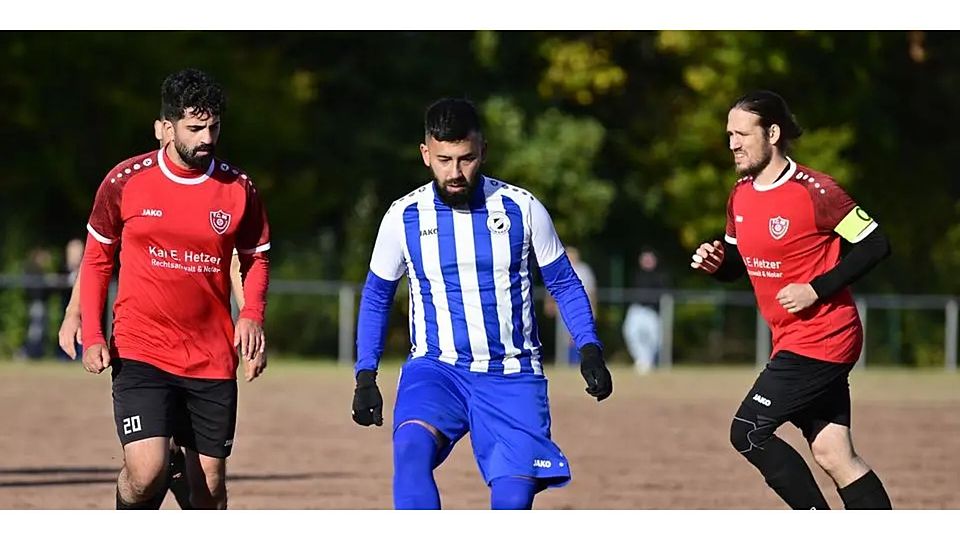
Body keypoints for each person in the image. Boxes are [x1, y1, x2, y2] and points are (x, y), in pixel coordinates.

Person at [351, 97, 613, 510]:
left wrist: (590, 349)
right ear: (425, 155)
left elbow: (562, 282)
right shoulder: (403, 216)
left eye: (466, 158)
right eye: (444, 159)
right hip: (437, 370)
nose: (455, 172)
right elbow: (377, 296)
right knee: (410, 450)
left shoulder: (522, 208)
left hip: (512, 374)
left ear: (483, 151)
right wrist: (365, 375)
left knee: (512, 501)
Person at [690, 90, 892, 510]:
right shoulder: (740, 194)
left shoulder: (818, 190)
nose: (732, 144)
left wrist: (815, 289)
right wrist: (717, 263)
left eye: (742, 134)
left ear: (773, 133)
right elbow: (736, 264)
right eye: (729, 134)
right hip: (792, 340)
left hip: (824, 338)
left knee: (747, 431)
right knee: (835, 455)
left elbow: (876, 244)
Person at [79, 68, 271, 510]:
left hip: (210, 356)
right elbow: (97, 259)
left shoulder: (239, 189)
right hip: (141, 348)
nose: (207, 138)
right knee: (146, 471)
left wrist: (252, 315)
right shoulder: (125, 181)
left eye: (214, 127)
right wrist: (92, 335)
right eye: (195, 128)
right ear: (164, 128)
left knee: (211, 487)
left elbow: (256, 257)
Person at [544, 246, 597, 365]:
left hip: (581, 308)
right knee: (565, 338)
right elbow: (551, 289)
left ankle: (579, 362)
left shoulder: (584, 270)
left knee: (580, 336)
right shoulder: (560, 269)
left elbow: (592, 291)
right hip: (564, 308)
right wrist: (549, 304)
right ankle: (565, 362)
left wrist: (593, 308)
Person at [622, 248, 668, 374]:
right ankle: (642, 360)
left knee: (655, 338)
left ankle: (648, 361)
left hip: (651, 312)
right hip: (637, 310)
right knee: (631, 333)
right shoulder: (636, 275)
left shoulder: (660, 277)